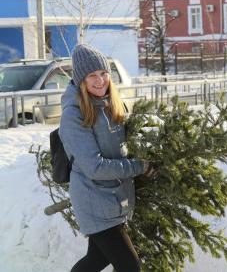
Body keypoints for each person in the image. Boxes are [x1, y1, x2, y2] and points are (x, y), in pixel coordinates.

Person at [59, 44, 155, 272]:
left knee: (96, 260)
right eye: (92, 75)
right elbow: (95, 167)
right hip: (94, 199)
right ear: (81, 80)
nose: (100, 80)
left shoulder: (111, 104)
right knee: (130, 267)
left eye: (103, 73)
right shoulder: (73, 115)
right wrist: (138, 166)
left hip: (113, 198)